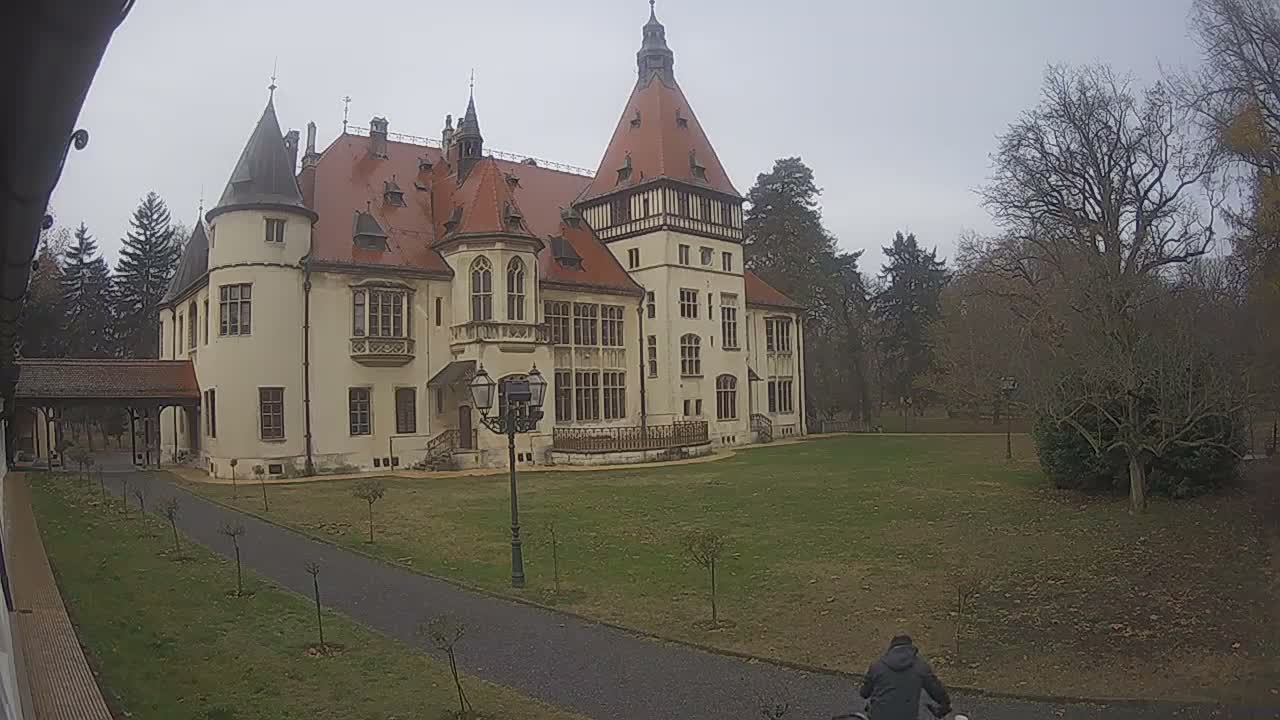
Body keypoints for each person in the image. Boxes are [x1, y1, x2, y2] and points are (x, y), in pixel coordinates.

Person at [858, 634, 951, 719]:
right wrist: (945, 705)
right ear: (911, 648)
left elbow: (864, 693)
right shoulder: (921, 667)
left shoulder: (877, 666)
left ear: (891, 648)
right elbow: (936, 690)